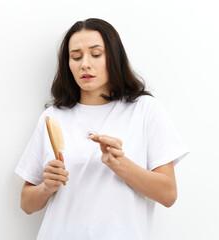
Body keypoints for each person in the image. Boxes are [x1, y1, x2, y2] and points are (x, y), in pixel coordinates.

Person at [15, 18, 189, 240]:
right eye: (76, 57)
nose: (84, 64)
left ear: (114, 58)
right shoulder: (53, 116)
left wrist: (120, 164)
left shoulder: (144, 109)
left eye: (96, 54)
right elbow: (26, 204)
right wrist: (46, 187)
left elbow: (168, 194)